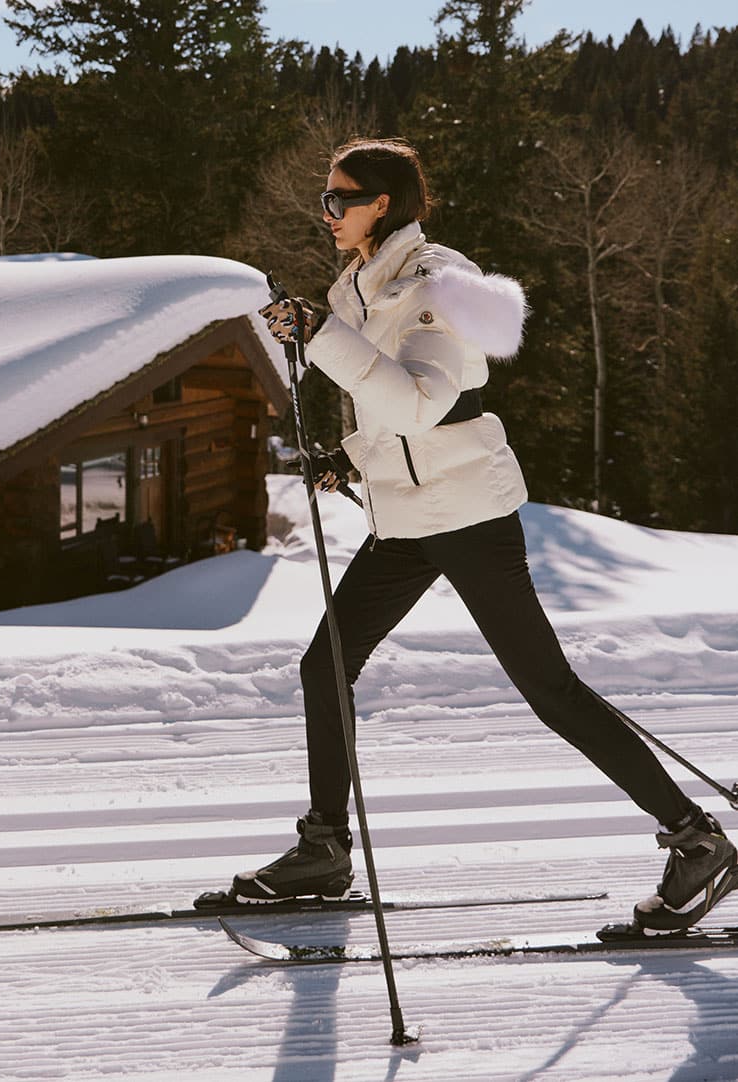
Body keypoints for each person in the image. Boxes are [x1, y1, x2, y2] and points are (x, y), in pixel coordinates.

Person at [242, 137, 735, 932]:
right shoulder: (358, 288)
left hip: (468, 518)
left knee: (550, 691)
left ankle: (696, 841)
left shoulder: (438, 285)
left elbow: (419, 406)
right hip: (405, 518)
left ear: (384, 206)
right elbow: (389, 425)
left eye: (340, 198)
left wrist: (318, 338)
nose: (325, 211)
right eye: (325, 197)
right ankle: (326, 849)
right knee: (324, 665)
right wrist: (352, 458)